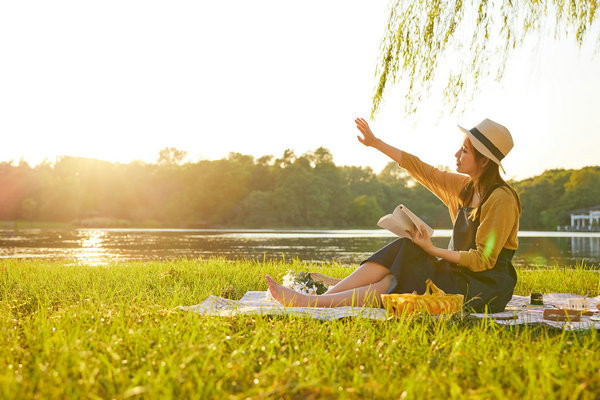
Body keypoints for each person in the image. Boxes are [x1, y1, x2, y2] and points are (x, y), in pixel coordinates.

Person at [265, 117, 521, 313]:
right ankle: (316, 300)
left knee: (397, 277)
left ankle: (311, 303)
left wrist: (431, 250)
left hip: (484, 287)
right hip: (455, 273)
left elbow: (482, 260)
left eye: (464, 151)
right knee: (403, 250)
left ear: (485, 161)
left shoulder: (502, 199)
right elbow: (421, 169)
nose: (457, 155)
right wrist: (376, 143)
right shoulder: (464, 188)